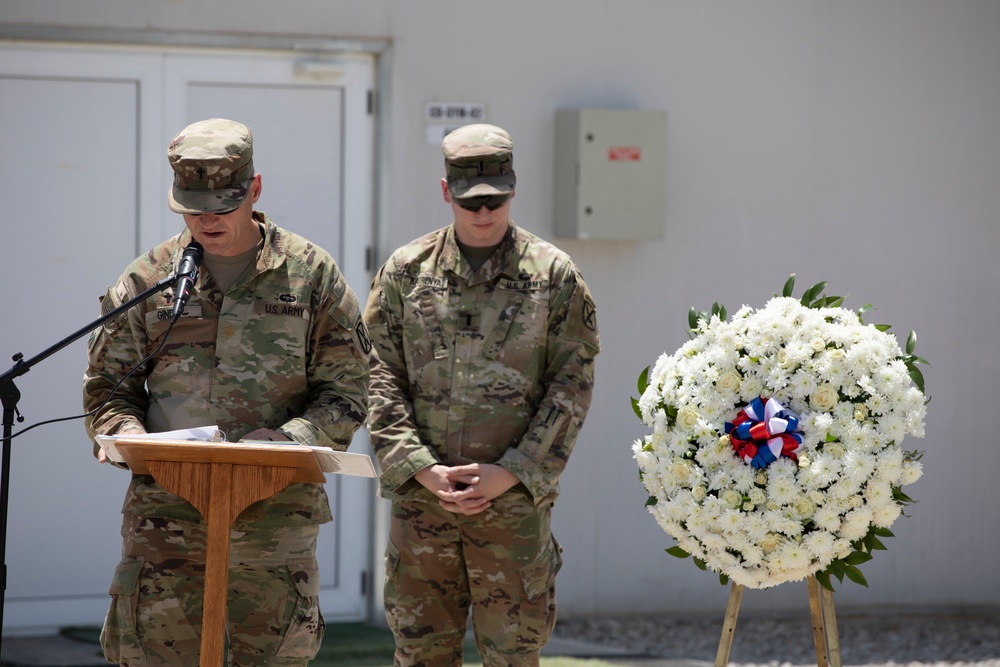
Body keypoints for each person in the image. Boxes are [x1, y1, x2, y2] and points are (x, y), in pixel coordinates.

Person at [83, 118, 371, 667]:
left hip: (273, 523)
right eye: (193, 208)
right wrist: (126, 436)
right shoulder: (151, 278)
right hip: (167, 521)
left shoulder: (310, 275)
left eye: (223, 206)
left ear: (255, 190)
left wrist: (292, 438)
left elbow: (350, 389)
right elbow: (108, 389)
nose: (207, 221)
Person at [363, 123, 600, 667]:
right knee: (421, 655)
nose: (484, 212)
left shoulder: (554, 277)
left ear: (514, 189)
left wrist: (511, 472)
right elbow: (377, 376)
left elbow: (571, 388)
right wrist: (419, 467)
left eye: (495, 199)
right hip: (424, 507)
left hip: (511, 509)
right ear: (446, 191)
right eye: (470, 201)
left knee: (513, 656)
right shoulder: (405, 272)